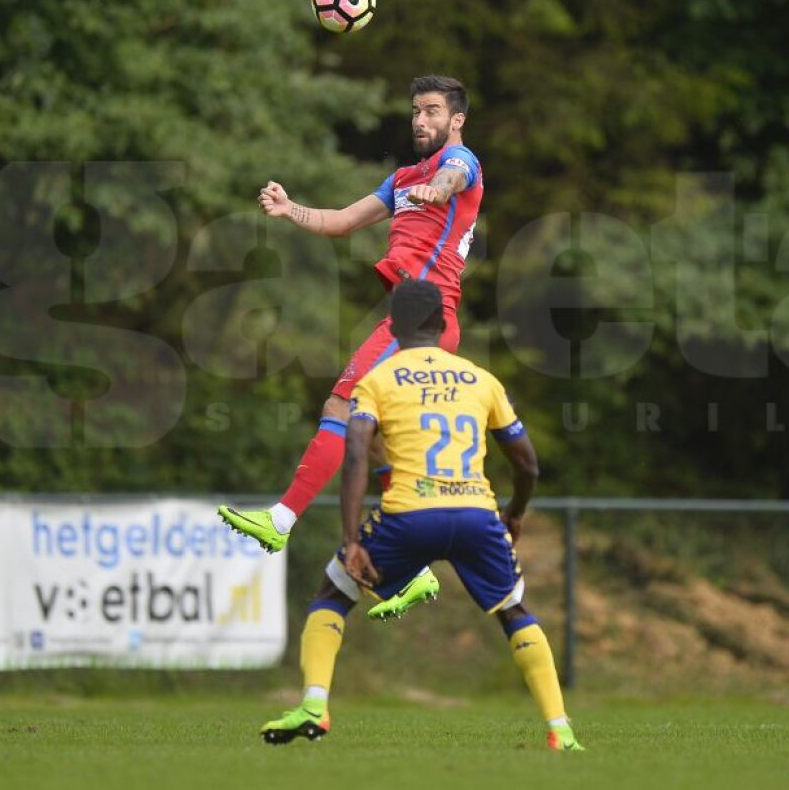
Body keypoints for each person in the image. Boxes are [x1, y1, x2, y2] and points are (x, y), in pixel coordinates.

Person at [258, 280, 583, 752]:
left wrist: (351, 539)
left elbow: (354, 457)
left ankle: (314, 702)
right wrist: (514, 513)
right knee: (514, 610)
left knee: (334, 592)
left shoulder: (377, 380)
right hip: (476, 513)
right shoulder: (480, 378)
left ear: (394, 325)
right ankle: (560, 729)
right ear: (443, 324)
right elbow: (527, 464)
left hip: (409, 513)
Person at [219, 75, 484, 613]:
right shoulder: (404, 178)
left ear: (456, 120)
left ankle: (281, 519)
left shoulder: (462, 165)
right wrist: (291, 209)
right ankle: (411, 573)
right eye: (415, 110)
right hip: (415, 319)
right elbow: (341, 222)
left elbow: (457, 174)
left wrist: (442, 187)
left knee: (341, 404)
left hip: (425, 319)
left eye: (432, 111)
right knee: (378, 441)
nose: (420, 120)